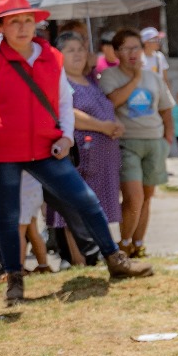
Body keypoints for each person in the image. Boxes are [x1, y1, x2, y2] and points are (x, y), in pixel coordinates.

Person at [0, 0, 152, 303]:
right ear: (1, 26)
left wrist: (67, 136)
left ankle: (114, 259)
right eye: (15, 22)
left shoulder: (51, 56)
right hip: (4, 151)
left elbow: (64, 101)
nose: (24, 28)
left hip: (46, 147)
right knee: (7, 216)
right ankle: (14, 278)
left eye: (28, 21)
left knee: (86, 200)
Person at [98, 28, 175, 258]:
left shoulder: (154, 77)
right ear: (116, 52)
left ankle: (138, 244)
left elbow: (165, 109)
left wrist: (167, 138)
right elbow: (112, 101)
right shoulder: (110, 77)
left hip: (154, 141)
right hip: (126, 143)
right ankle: (123, 243)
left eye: (136, 47)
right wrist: (135, 79)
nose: (133, 53)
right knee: (134, 196)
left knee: (147, 196)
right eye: (126, 48)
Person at [50, 31, 123, 266]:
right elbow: (68, 113)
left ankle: (97, 254)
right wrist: (102, 126)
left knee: (95, 207)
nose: (77, 54)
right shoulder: (61, 81)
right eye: (70, 50)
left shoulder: (91, 79)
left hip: (103, 155)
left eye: (80, 49)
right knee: (76, 208)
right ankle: (78, 259)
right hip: (81, 154)